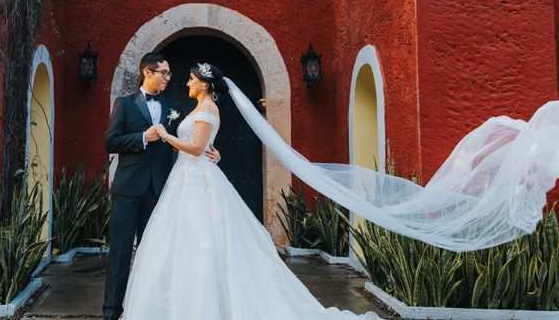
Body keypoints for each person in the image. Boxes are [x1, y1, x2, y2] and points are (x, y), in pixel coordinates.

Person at [120, 62, 377, 319]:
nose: (187, 83)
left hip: (198, 181)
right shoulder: (198, 109)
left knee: (204, 242)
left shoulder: (209, 108)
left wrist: (164, 134)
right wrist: (194, 147)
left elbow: (197, 149)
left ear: (204, 84)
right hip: (184, 178)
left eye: (191, 79)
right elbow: (194, 147)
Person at [102, 53, 220, 320]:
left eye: (169, 73)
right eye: (164, 73)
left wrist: (214, 151)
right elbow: (111, 142)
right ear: (148, 72)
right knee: (120, 253)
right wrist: (143, 137)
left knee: (153, 256)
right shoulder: (124, 104)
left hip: (161, 190)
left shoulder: (173, 106)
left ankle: (146, 310)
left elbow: (194, 135)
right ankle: (111, 311)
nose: (169, 77)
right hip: (128, 189)